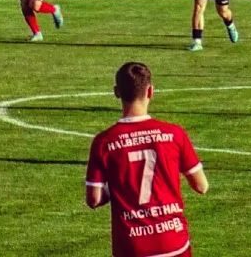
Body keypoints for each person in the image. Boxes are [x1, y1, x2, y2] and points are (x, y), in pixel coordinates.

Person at [84, 61, 208, 257]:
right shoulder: (174, 134)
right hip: (173, 241)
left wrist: (116, 186)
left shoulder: (104, 141)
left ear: (117, 92)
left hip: (132, 245)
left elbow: (94, 199)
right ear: (150, 91)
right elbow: (201, 186)